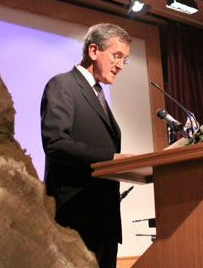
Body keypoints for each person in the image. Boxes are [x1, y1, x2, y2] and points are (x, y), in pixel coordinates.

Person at [40, 23, 133, 268]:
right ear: (93, 51)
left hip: (104, 222)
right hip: (76, 218)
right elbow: (56, 144)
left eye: (125, 59)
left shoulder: (97, 94)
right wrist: (111, 159)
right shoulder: (63, 85)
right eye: (117, 56)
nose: (121, 65)